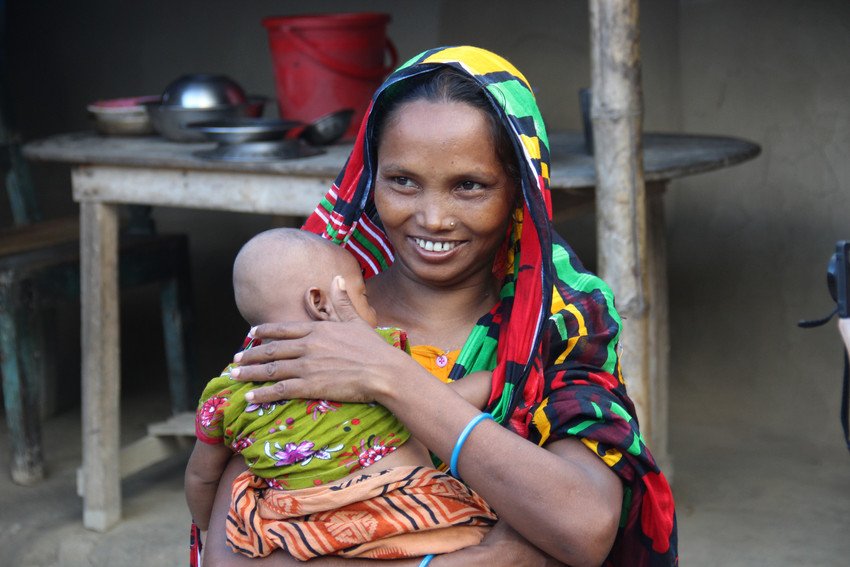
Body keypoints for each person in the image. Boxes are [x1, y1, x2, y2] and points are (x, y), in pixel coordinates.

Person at [204, 46, 678, 566]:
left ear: (521, 191)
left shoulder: (560, 326)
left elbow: (582, 529)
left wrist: (389, 377)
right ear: (369, 176)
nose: (432, 218)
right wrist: (499, 555)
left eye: (469, 186)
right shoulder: (312, 313)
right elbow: (231, 544)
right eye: (402, 181)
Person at [185, 228, 496, 562]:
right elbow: (437, 405)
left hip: (305, 534)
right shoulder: (376, 351)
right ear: (320, 304)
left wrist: (205, 526)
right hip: (406, 516)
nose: (373, 311)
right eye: (363, 296)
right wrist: (493, 380)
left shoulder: (226, 392)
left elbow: (201, 476)